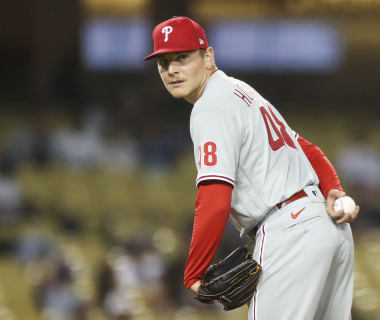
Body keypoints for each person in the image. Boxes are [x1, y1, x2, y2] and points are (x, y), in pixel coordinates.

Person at [144, 16, 359, 320]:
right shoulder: (241, 91)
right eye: (163, 62)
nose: (172, 69)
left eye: (182, 57)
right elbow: (307, 149)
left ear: (208, 57)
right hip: (329, 230)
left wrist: (194, 272)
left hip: (290, 232)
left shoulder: (210, 107)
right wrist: (333, 187)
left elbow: (215, 197)